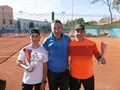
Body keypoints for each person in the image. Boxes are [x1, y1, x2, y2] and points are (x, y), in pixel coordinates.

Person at [68, 24, 106, 90]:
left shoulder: (91, 43)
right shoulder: (70, 45)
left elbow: (96, 53)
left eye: (81, 31)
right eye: (77, 31)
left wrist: (100, 58)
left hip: (88, 76)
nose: (79, 33)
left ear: (84, 32)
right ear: (74, 33)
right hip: (74, 76)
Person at [43, 19, 71, 90]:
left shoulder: (67, 38)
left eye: (59, 28)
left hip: (64, 72)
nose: (57, 30)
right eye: (54, 28)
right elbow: (43, 55)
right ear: (51, 29)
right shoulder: (47, 40)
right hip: (51, 72)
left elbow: (73, 50)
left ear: (62, 28)